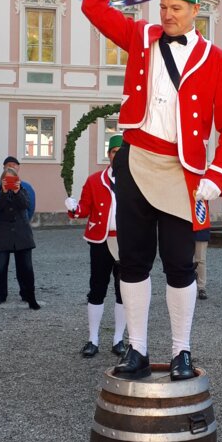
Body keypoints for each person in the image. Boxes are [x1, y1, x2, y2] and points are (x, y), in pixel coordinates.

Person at [81, 0, 222, 381]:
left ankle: (180, 352)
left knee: (179, 264)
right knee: (133, 261)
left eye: (176, 8)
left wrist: (218, 175)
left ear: (196, 10)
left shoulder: (220, 62)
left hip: (183, 172)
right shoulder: (141, 37)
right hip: (135, 162)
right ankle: (136, 349)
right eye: (163, 6)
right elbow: (93, 8)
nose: (168, 14)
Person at [64, 135, 127, 357]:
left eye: (122, 151)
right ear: (108, 155)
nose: (117, 155)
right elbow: (84, 208)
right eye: (114, 151)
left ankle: (119, 339)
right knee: (97, 288)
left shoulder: (136, 180)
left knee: (123, 291)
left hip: (126, 241)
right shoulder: (94, 180)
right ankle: (93, 339)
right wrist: (74, 208)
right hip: (100, 240)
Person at [0, 168, 39, 312]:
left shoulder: (23, 191)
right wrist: (4, 192)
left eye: (13, 180)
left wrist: (17, 191)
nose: (10, 182)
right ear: (2, 181)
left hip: (22, 235)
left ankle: (31, 299)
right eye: (7, 180)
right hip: (3, 236)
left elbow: (25, 205)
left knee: (27, 268)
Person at [194, 227, 211, 300]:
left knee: (201, 260)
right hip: (184, 230)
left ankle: (201, 288)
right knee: (185, 260)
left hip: (201, 228)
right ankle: (184, 286)